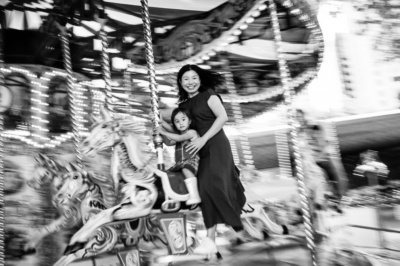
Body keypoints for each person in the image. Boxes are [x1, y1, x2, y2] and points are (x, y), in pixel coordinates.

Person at [161, 64, 247, 258]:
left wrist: (203, 139)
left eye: (194, 78)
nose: (190, 82)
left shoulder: (210, 95)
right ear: (180, 83)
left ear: (199, 79)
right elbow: (178, 130)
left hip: (216, 145)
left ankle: (235, 226)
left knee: (213, 185)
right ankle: (211, 241)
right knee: (204, 190)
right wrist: (160, 128)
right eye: (186, 79)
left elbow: (222, 117)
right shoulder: (182, 107)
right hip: (197, 152)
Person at [159, 107, 201, 206]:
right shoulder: (180, 135)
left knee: (186, 169)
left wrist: (163, 131)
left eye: (183, 120)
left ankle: (194, 195)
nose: (180, 123)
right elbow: (169, 142)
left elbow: (178, 137)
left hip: (191, 161)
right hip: (181, 163)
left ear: (189, 121)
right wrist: (161, 129)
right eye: (177, 121)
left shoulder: (192, 133)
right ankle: (178, 193)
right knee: (168, 174)